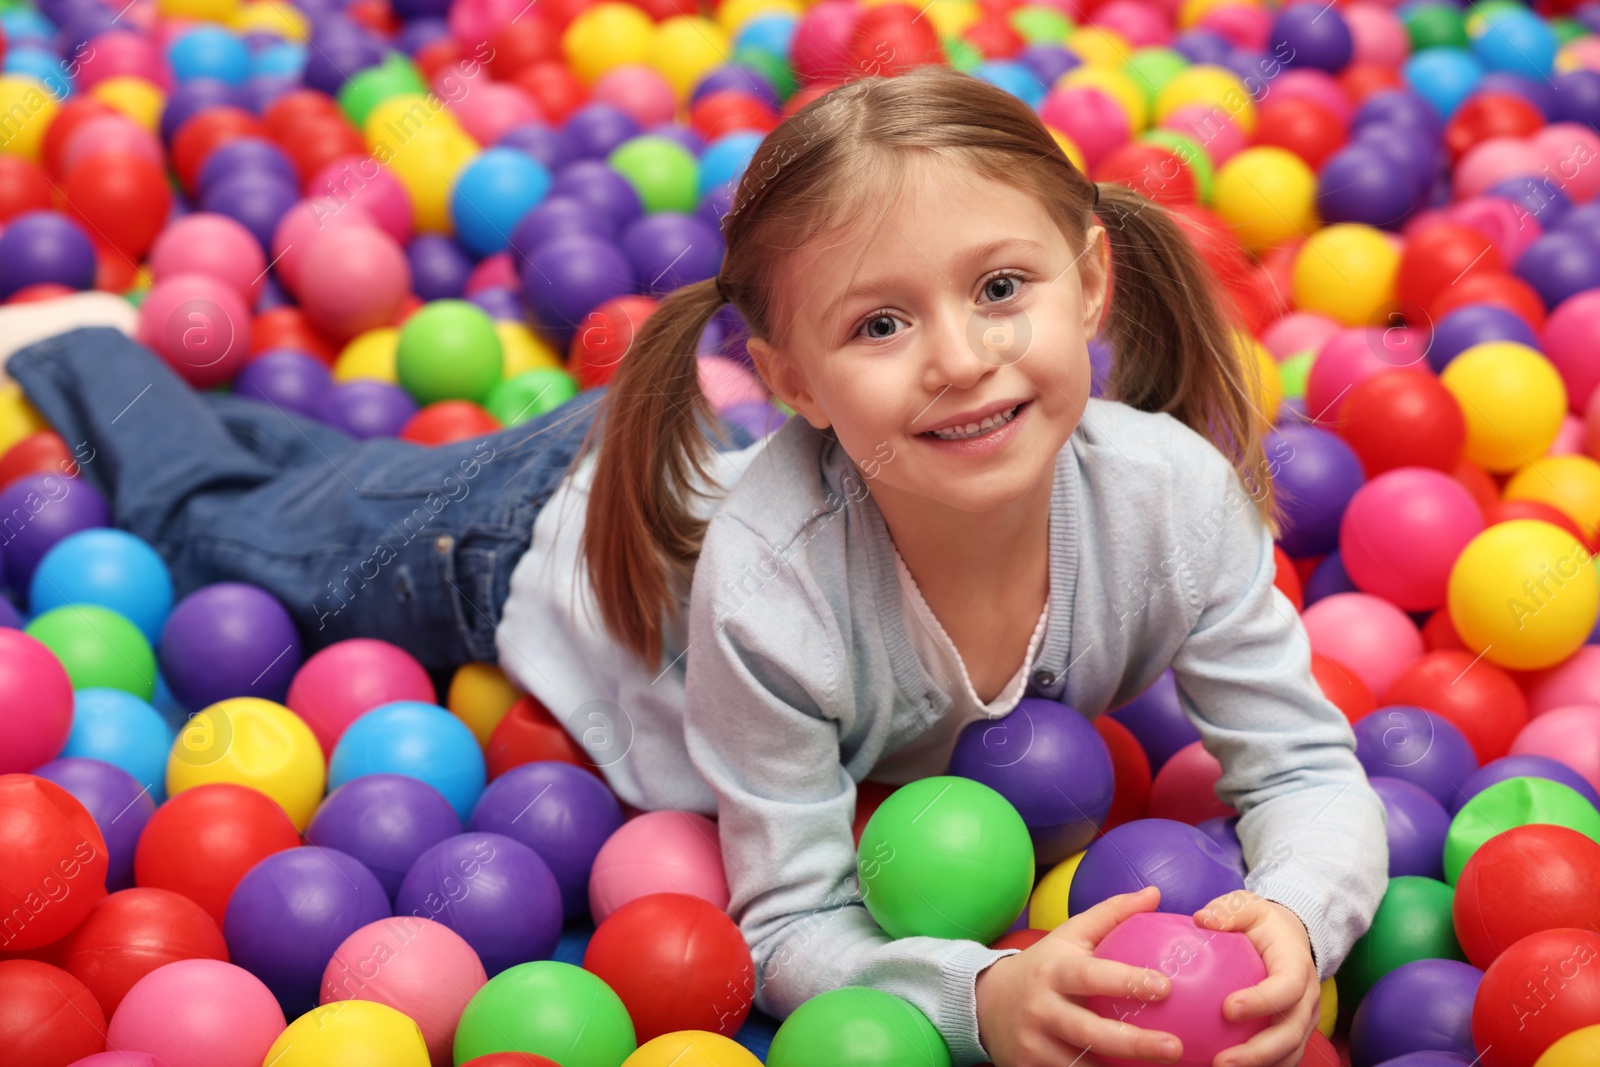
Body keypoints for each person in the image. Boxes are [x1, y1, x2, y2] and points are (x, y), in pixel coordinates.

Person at [0, 64, 1386, 1067]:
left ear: (1090, 279)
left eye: (1002, 288)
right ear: (788, 378)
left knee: (310, 479)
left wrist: (1298, 916)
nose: (963, 357)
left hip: (664, 480)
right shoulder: (775, 585)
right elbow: (788, 919)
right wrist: (982, 999)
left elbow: (1311, 771)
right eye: (884, 323)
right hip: (514, 530)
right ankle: (77, 349)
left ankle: (239, 416)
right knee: (221, 533)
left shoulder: (1174, 499)